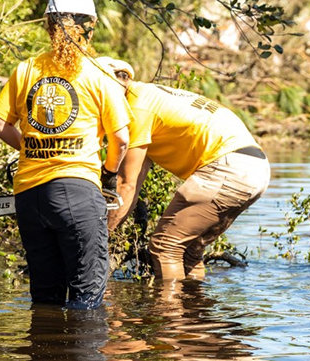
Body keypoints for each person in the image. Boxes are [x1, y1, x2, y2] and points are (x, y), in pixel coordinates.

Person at [0, 0, 132, 309]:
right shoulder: (99, 74)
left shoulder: (26, 70)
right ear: (91, 27)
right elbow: (121, 139)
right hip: (78, 193)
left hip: (30, 196)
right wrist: (109, 173)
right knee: (86, 300)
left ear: (48, 25)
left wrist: (30, 148)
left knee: (45, 300)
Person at [102, 59, 271, 281]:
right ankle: (194, 304)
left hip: (229, 167)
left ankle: (172, 305)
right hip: (257, 170)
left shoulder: (136, 108)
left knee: (165, 246)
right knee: (190, 250)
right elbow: (134, 182)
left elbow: (126, 185)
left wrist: (100, 239)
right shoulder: (151, 95)